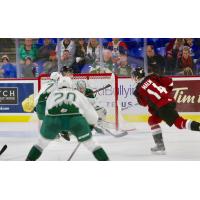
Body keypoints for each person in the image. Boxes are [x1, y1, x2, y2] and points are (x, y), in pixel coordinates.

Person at [25, 76, 109, 161]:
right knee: (92, 144)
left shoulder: (52, 94)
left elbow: (47, 112)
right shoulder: (77, 93)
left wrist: (51, 126)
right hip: (74, 120)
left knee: (40, 143)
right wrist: (90, 124)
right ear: (71, 85)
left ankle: (28, 161)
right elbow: (91, 114)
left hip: (53, 120)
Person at [132, 67, 200, 153]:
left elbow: (144, 103)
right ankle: (159, 144)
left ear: (137, 76)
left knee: (179, 123)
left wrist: (138, 97)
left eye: (134, 76)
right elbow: (169, 81)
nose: (133, 78)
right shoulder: (152, 77)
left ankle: (198, 126)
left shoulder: (138, 90)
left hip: (162, 107)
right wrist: (165, 94)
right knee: (152, 120)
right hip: (166, 103)